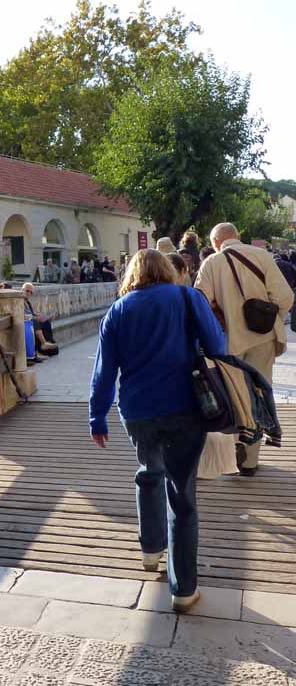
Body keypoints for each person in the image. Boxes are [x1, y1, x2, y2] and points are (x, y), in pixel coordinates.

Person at [89, 249, 226, 612]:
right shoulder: (187, 297)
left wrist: (97, 417)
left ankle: (150, 551)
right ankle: (183, 590)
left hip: (137, 411)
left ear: (131, 275)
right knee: (181, 494)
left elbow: (104, 371)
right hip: (184, 406)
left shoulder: (118, 310)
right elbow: (218, 346)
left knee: (149, 473)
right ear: (169, 270)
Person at [195, 222, 293, 476]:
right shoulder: (262, 256)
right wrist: (269, 318)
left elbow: (199, 302)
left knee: (233, 397)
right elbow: (285, 298)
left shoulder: (212, 263)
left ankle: (232, 451)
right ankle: (250, 461)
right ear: (237, 237)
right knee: (258, 395)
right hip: (263, 340)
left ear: (216, 242)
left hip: (228, 343)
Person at [22, 283, 57, 358]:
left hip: (30, 320)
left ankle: (47, 347)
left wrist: (40, 316)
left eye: (31, 292)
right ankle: (43, 344)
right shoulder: (20, 301)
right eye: (27, 291)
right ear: (22, 290)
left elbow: (31, 313)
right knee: (36, 322)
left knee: (46, 322)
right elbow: (23, 315)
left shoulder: (27, 302)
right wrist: (35, 317)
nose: (29, 293)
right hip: (26, 322)